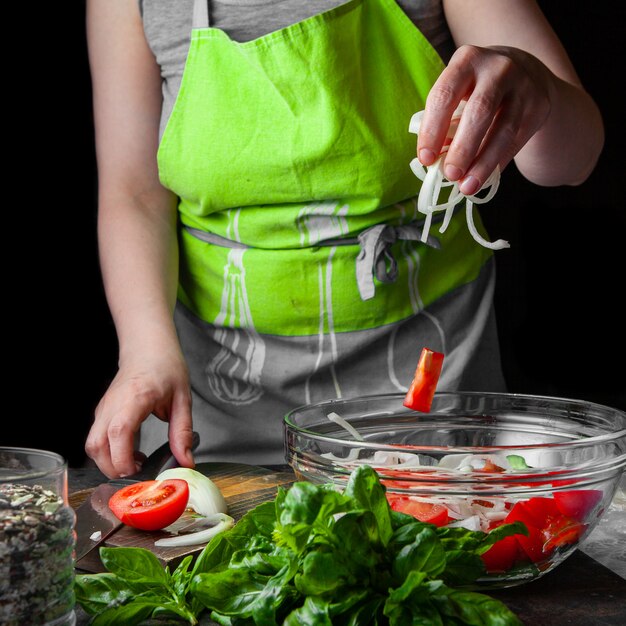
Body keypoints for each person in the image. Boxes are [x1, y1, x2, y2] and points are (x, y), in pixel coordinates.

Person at [85, 0, 603, 478]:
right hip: (215, 405)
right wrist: (144, 348)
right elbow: (134, 193)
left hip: (429, 390)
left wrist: (539, 88)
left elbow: (572, 162)